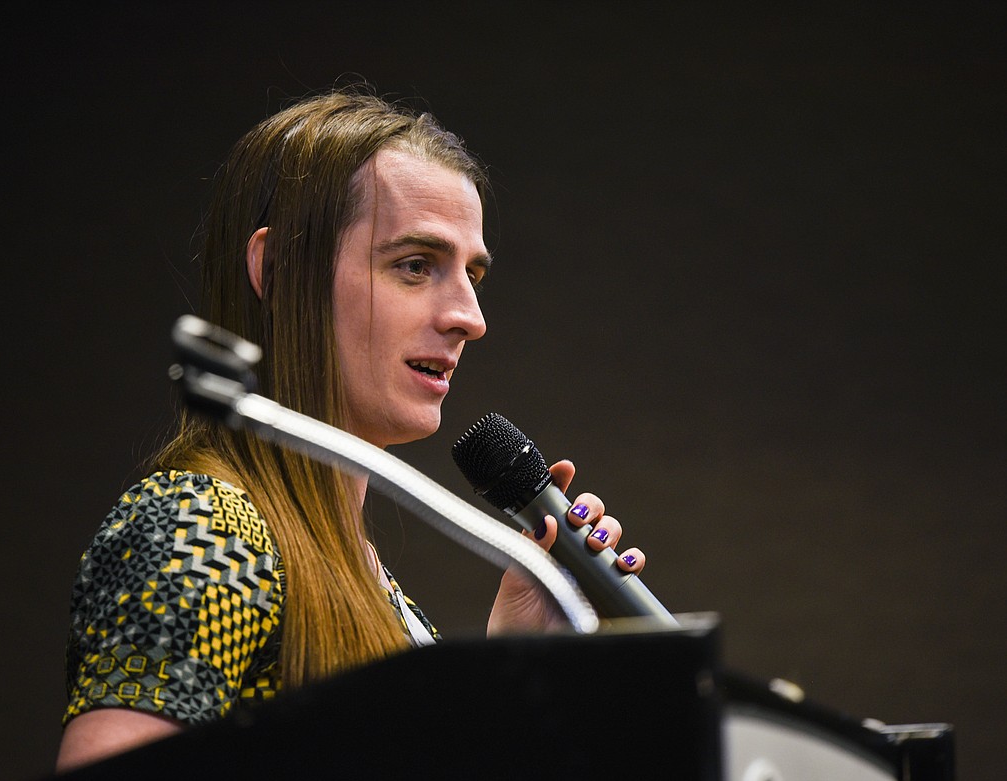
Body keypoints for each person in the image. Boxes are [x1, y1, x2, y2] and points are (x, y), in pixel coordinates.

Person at [56, 90, 646, 771]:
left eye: (472, 273)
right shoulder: (204, 526)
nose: (470, 315)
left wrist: (505, 666)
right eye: (416, 265)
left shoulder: (370, 583)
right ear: (277, 271)